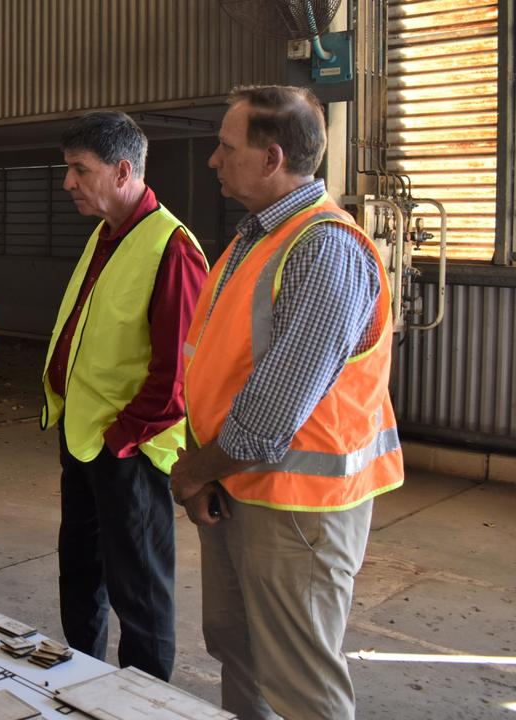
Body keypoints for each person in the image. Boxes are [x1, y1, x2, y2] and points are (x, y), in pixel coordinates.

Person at [171, 85, 403, 719]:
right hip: (239, 484)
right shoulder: (257, 238)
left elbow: (276, 404)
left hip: (298, 509)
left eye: (226, 146)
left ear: (272, 158)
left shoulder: (324, 247)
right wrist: (208, 469)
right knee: (239, 650)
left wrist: (195, 470)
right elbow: (220, 368)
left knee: (299, 682)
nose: (214, 160)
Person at [41, 111, 208, 680]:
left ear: (120, 170)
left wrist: (122, 440)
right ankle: (83, 683)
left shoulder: (171, 248)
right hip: (85, 441)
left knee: (140, 594)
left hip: (128, 454)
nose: (68, 183)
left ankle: (144, 702)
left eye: (79, 170)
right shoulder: (106, 236)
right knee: (81, 577)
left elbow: (178, 377)